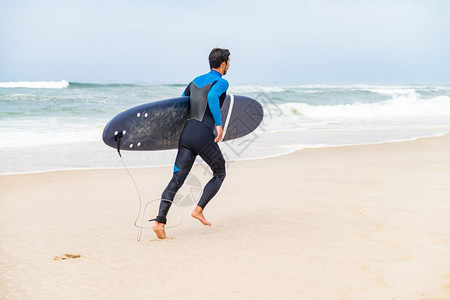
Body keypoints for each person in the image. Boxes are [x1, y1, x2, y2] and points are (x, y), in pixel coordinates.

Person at [152, 48, 231, 239]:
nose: (229, 65)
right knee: (220, 172)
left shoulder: (194, 81)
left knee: (176, 179)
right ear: (223, 64)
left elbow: (182, 104)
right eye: (228, 62)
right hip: (204, 134)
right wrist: (218, 126)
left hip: (187, 135)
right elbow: (212, 97)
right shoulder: (222, 81)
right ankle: (198, 210)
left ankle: (159, 222)